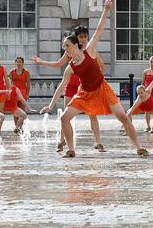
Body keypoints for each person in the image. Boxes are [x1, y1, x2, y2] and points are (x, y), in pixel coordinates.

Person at [46, 0, 149, 159]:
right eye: (63, 46)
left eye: (66, 45)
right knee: (65, 118)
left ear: (74, 45)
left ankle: (139, 147)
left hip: (102, 89)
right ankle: (71, 149)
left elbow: (99, 29)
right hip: (84, 94)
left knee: (123, 117)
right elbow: (61, 86)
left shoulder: (90, 50)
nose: (64, 48)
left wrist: (107, 9)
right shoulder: (70, 67)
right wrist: (50, 105)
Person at [35, 25, 104, 153]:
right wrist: (42, 62)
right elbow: (59, 64)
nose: (83, 40)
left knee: (92, 115)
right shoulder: (69, 51)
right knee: (66, 115)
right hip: (71, 86)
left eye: (85, 37)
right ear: (76, 39)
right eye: (80, 37)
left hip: (85, 87)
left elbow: (101, 66)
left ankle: (98, 142)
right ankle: (62, 140)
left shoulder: (90, 50)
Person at [130, 55, 153, 135]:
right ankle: (148, 126)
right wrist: (140, 94)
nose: (152, 63)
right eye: (151, 62)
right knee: (147, 111)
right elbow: (142, 84)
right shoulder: (145, 72)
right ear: (149, 62)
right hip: (146, 93)